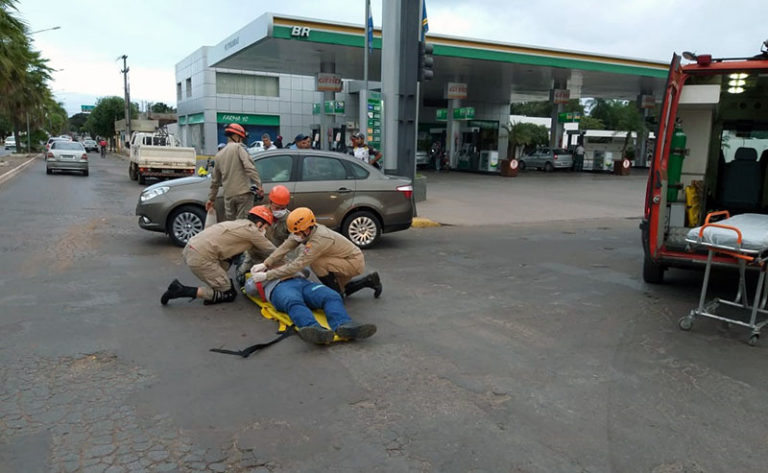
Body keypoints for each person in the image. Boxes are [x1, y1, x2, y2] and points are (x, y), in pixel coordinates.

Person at [250, 207, 382, 298]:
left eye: (297, 232)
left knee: (317, 263)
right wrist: (266, 264)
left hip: (353, 261)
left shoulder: (319, 239)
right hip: (341, 257)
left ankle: (337, 295)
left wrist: (268, 276)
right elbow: (285, 247)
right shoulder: (305, 230)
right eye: (294, 233)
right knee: (341, 287)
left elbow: (297, 265)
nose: (295, 235)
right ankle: (369, 281)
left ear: (307, 229)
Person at [161, 206, 277, 306]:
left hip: (191, 249)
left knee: (231, 257)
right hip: (200, 257)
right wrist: (289, 266)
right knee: (229, 294)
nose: (265, 230)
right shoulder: (253, 232)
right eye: (266, 227)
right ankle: (180, 290)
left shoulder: (240, 223)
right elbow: (274, 251)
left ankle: (215, 287)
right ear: (259, 223)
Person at [245, 270, 377, 344]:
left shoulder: (289, 263)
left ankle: (344, 324)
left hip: (304, 283)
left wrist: (289, 267)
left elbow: (306, 271)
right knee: (293, 301)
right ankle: (314, 328)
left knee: (331, 295)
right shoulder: (259, 272)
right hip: (280, 287)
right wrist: (267, 274)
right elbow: (249, 288)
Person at [235, 184, 292, 284]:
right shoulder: (258, 214)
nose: (279, 211)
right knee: (243, 278)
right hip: (254, 254)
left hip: (274, 256)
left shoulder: (290, 219)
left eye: (283, 208)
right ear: (270, 202)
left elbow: (295, 241)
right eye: (277, 208)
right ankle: (242, 267)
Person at [206, 123, 263, 221]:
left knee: (231, 225)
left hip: (228, 196)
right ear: (236, 136)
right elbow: (249, 167)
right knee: (243, 224)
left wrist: (211, 199)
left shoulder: (219, 155)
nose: (241, 140)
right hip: (243, 194)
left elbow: (215, 181)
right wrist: (259, 185)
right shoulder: (238, 148)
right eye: (241, 138)